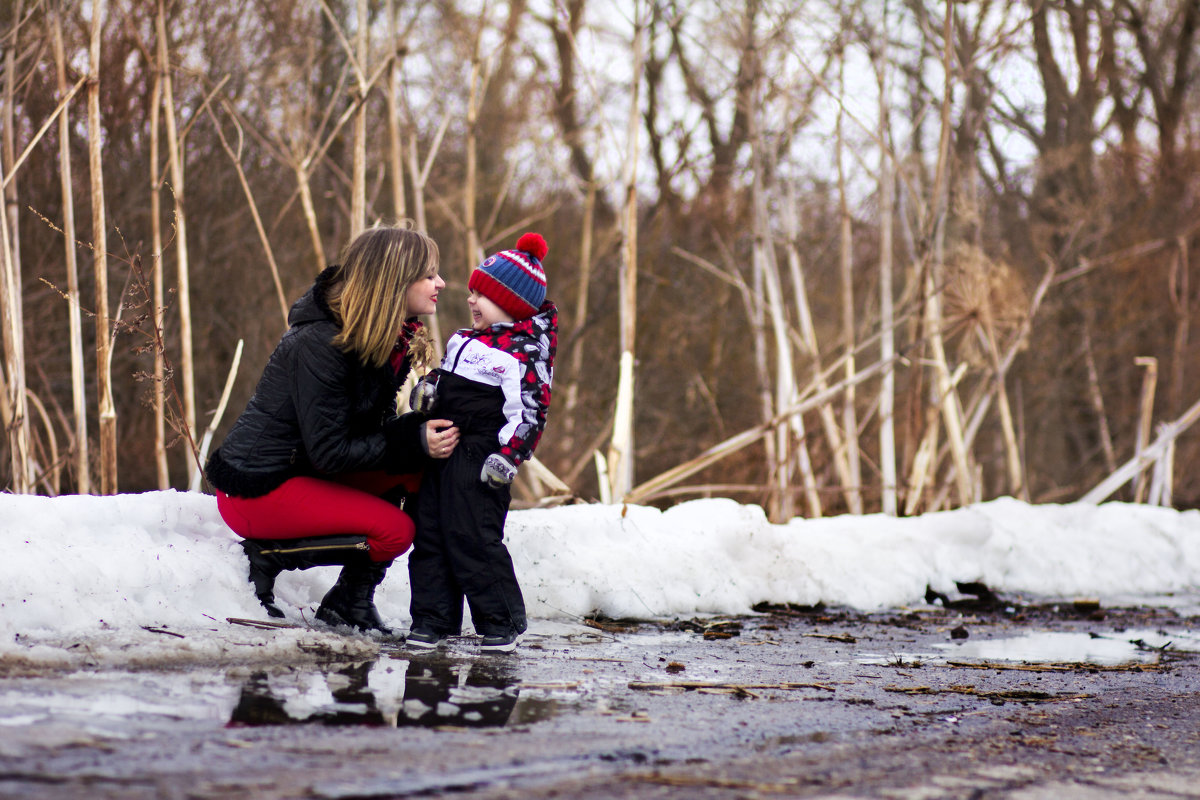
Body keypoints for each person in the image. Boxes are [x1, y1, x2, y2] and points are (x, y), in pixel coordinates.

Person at [204, 224, 461, 634]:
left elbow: (366, 433)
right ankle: (267, 556)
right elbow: (331, 451)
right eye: (429, 274)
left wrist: (421, 432)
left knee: (419, 468)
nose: (441, 283)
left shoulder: (383, 337)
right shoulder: (321, 344)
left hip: (305, 470)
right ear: (395, 280)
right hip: (258, 489)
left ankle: (350, 601)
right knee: (395, 531)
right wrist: (410, 438)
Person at [404, 232, 557, 653]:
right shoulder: (464, 340)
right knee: (431, 534)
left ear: (512, 304)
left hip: (482, 459)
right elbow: (444, 376)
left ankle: (500, 621)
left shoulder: (524, 354)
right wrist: (429, 388)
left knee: (472, 536)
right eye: (472, 292)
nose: (471, 300)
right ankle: (432, 620)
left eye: (483, 295)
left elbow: (531, 412)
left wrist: (508, 457)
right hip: (443, 455)